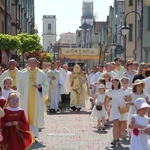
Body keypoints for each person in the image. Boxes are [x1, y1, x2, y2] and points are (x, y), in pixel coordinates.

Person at [18, 57, 48, 138]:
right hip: (25, 99)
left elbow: (46, 86)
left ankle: (34, 134)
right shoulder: (23, 74)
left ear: (37, 64)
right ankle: (26, 133)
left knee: (36, 114)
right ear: (27, 64)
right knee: (26, 114)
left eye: (33, 63)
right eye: (30, 63)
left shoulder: (41, 74)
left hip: (37, 99)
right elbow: (20, 87)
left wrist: (40, 88)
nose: (32, 64)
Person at [104, 77, 130, 146]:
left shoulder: (123, 90)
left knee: (120, 124)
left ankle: (117, 139)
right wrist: (106, 106)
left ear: (119, 82)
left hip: (122, 108)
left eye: (116, 82)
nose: (115, 83)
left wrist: (127, 105)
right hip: (115, 108)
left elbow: (128, 98)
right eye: (113, 82)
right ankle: (114, 139)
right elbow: (106, 99)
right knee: (115, 124)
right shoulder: (110, 91)